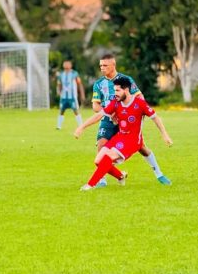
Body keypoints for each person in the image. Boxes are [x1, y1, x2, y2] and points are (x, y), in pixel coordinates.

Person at [75, 76, 173, 191]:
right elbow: (98, 115)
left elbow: (155, 118)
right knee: (98, 161)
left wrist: (164, 134)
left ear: (126, 90)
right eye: (114, 90)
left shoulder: (139, 103)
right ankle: (120, 176)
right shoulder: (116, 103)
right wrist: (82, 127)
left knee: (109, 157)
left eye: (117, 90)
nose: (115, 93)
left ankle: (90, 185)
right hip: (120, 137)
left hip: (133, 141)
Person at [91, 54, 170, 186]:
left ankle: (159, 174)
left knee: (142, 148)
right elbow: (95, 105)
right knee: (101, 145)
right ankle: (102, 179)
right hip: (108, 120)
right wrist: (110, 115)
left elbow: (139, 96)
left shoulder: (126, 80)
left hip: (127, 119)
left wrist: (141, 113)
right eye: (100, 65)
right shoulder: (99, 84)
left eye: (105, 65)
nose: (102, 68)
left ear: (113, 65)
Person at [56, 60, 85, 130]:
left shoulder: (74, 74)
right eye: (65, 64)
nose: (66, 65)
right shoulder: (61, 74)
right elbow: (59, 84)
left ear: (70, 65)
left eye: (67, 64)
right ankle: (59, 126)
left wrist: (82, 94)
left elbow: (79, 84)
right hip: (63, 97)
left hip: (72, 97)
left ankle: (81, 126)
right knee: (61, 111)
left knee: (76, 110)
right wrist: (58, 91)